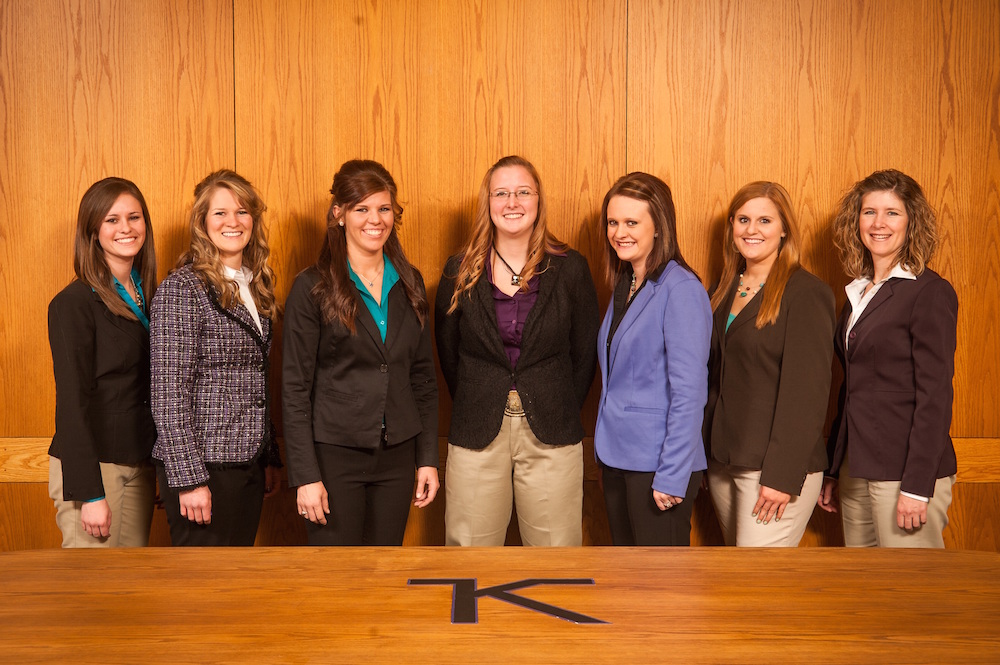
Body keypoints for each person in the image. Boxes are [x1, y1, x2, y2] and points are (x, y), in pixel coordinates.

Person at [435, 155, 599, 547]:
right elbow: (448, 352)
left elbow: (585, 354)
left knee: (556, 553)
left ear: (539, 200)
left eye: (523, 192)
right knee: (469, 551)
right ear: (487, 202)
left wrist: (555, 399)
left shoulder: (571, 267)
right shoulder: (458, 269)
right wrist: (484, 393)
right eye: (502, 193)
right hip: (477, 425)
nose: (513, 202)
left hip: (552, 429)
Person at [283, 160, 439, 545]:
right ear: (339, 214)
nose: (376, 219)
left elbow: (423, 378)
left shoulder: (409, 281)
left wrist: (428, 458)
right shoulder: (312, 287)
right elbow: (294, 389)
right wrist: (305, 476)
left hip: (397, 457)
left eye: (384, 208)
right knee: (337, 581)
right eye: (362, 209)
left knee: (385, 574)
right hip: (334, 459)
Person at [818, 169, 958, 548]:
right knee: (867, 595)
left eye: (892, 213)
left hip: (905, 474)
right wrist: (834, 468)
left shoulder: (929, 292)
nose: (879, 223)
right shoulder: (859, 294)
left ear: (912, 222)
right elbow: (853, 388)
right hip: (855, 468)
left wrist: (917, 485)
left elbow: (935, 396)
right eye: (869, 212)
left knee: (911, 598)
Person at [150, 169, 281, 546]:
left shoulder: (257, 284)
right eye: (220, 213)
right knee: (201, 590)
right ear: (202, 222)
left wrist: (268, 454)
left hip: (247, 461)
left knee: (236, 586)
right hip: (204, 466)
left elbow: (256, 375)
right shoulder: (182, 288)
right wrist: (190, 480)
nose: (233, 222)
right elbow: (168, 394)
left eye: (242, 211)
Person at [703, 182, 835, 547]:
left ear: (784, 229)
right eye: (743, 219)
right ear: (731, 227)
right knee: (740, 581)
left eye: (764, 220)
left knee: (757, 591)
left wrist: (781, 475)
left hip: (772, 471)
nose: (751, 229)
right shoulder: (721, 291)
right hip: (723, 462)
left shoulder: (806, 293)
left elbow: (806, 395)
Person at [594, 172, 710, 546]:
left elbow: (689, 394)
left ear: (659, 227)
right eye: (613, 222)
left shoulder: (681, 289)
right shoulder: (627, 283)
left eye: (632, 222)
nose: (619, 232)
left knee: (661, 589)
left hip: (659, 467)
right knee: (628, 585)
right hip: (618, 460)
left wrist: (673, 474)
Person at [47, 177, 158, 547]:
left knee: (127, 593)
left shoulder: (151, 295)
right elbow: (72, 403)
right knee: (91, 594)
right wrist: (91, 494)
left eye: (134, 217)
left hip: (139, 462)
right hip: (96, 469)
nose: (126, 228)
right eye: (112, 220)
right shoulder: (74, 303)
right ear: (94, 231)